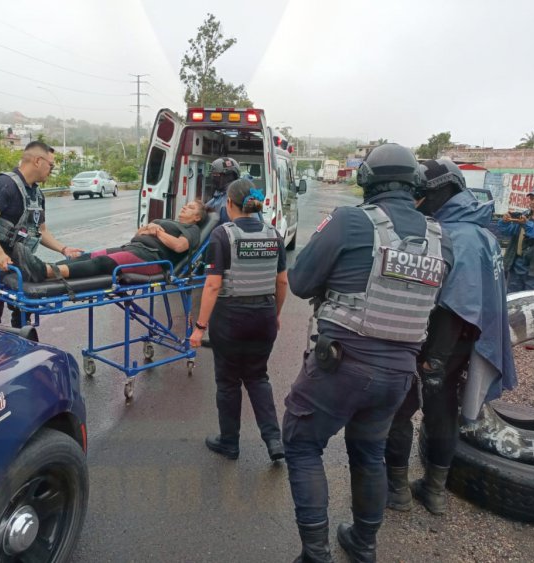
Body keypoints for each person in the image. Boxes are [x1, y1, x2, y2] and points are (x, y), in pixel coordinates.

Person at [282, 143, 453, 563]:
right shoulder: (440, 239)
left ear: (366, 181)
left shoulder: (348, 221)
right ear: (414, 184)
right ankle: (363, 544)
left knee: (302, 444)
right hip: (397, 375)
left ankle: (316, 554)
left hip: (341, 364)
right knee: (369, 452)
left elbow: (301, 282)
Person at [384, 159, 517, 518]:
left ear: (438, 192)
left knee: (399, 411)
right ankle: (434, 491)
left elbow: (455, 305)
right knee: (443, 414)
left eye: (420, 195)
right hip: (461, 345)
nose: (417, 202)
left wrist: (433, 359)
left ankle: (397, 491)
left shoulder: (456, 235)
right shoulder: (481, 232)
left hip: (436, 343)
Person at [189, 179, 288, 462]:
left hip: (231, 319)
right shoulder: (274, 234)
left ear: (229, 204)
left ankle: (229, 442)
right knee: (258, 377)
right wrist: (276, 314)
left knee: (229, 381)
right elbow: (282, 281)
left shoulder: (223, 235)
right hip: (264, 316)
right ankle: (273, 441)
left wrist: (199, 327)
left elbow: (212, 286)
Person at [0, 141, 83, 327]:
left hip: (18, 262)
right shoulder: (5, 184)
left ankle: (23, 349)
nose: (51, 169)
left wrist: (63, 249)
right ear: (38, 161)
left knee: (23, 315)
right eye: (51, 165)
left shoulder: (37, 194)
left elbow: (41, 231)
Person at [11, 201, 206, 282]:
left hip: (152, 259)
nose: (183, 209)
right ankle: (42, 269)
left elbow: (180, 247)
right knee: (86, 255)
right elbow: (137, 233)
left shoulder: (192, 230)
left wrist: (156, 231)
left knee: (104, 264)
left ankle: (43, 271)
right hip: (133, 248)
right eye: (184, 206)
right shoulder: (168, 221)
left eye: (189, 208)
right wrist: (148, 229)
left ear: (197, 217)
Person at [206, 157, 241, 223]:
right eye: (213, 174)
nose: (213, 178)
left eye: (215, 174)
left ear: (227, 176)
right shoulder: (219, 196)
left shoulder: (227, 205)